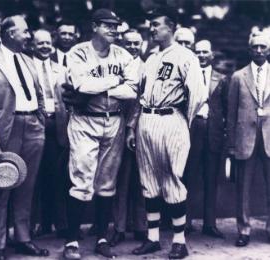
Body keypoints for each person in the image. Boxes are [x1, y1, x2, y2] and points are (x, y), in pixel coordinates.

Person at [126, 7, 206, 259]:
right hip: (146, 120)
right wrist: (132, 126)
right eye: (151, 25)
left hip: (171, 118)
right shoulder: (150, 58)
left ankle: (179, 242)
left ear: (170, 27)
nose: (152, 29)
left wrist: (182, 121)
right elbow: (140, 96)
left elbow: (198, 95)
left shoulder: (186, 56)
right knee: (148, 182)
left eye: (156, 25)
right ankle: (153, 239)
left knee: (172, 180)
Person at [62, 8, 139, 260]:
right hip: (85, 121)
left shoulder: (123, 54)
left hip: (114, 120)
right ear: (94, 26)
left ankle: (102, 238)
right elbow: (82, 85)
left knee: (106, 183)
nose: (113, 30)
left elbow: (132, 91)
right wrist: (116, 84)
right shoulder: (78, 52)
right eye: (107, 25)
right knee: (81, 180)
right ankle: (72, 241)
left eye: (116, 26)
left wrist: (102, 89)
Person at [0, 15, 49, 260]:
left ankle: (23, 238)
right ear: (10, 33)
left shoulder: (29, 61)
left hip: (33, 127)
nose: (29, 36)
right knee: (1, 185)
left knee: (27, 188)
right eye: (25, 32)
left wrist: (38, 119)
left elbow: (38, 95)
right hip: (7, 129)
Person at [227, 33, 270, 247]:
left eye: (263, 47)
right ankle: (243, 230)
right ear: (249, 51)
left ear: (269, 50)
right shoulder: (238, 77)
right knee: (243, 188)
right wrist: (232, 145)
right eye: (256, 47)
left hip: (269, 138)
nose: (259, 50)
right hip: (246, 139)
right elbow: (232, 112)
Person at [184, 39, 228, 238]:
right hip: (192, 130)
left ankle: (210, 224)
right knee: (189, 177)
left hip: (213, 131)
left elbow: (226, 109)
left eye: (205, 52)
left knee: (211, 179)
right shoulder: (186, 77)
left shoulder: (222, 79)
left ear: (212, 55)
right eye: (198, 52)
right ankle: (185, 222)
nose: (201, 55)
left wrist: (223, 130)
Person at [110, 28, 147, 247]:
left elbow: (143, 100)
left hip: (141, 129)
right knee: (119, 179)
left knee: (142, 179)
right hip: (115, 127)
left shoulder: (148, 68)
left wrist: (133, 127)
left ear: (141, 45)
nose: (132, 47)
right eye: (128, 43)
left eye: (136, 43)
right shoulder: (116, 68)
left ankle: (141, 226)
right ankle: (119, 227)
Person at [31, 29, 69, 238]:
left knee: (58, 176)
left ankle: (61, 224)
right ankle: (35, 224)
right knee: (35, 177)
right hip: (35, 124)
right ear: (32, 45)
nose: (44, 46)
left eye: (47, 43)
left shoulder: (61, 69)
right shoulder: (26, 67)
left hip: (58, 125)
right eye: (40, 43)